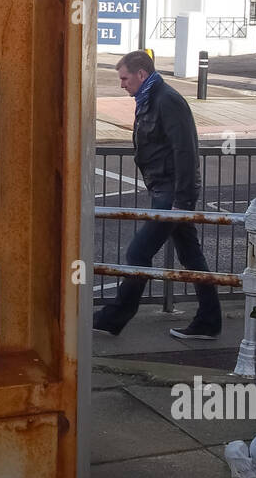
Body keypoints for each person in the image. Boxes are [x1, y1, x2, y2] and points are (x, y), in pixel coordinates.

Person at [93, 50, 222, 340]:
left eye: (125, 78)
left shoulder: (167, 100)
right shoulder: (149, 99)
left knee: (138, 252)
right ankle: (209, 321)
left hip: (172, 194)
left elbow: (186, 151)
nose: (122, 84)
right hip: (164, 190)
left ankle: (112, 318)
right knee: (191, 256)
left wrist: (182, 203)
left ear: (141, 74)